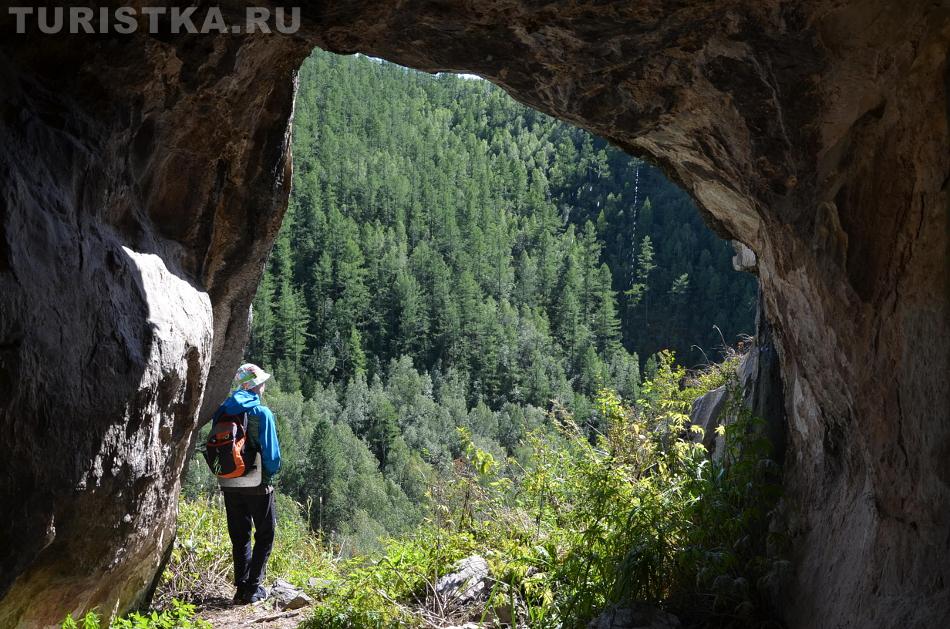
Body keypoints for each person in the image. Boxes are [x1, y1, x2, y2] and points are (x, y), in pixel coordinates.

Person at [211, 363, 282, 605]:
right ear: (255, 386)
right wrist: (270, 476)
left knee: (239, 535)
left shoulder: (222, 411)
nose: (264, 386)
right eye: (262, 382)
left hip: (229, 480)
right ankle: (253, 589)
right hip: (256, 481)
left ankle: (240, 589)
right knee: (265, 533)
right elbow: (272, 456)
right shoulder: (262, 413)